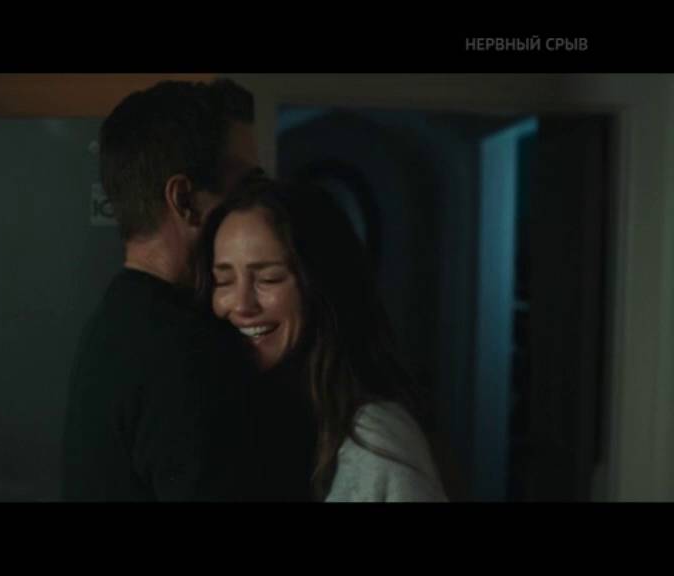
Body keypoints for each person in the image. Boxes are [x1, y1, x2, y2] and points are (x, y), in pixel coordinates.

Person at [61, 78, 268, 501]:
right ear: (185, 200)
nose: (258, 206)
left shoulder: (114, 323)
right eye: (246, 188)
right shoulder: (189, 353)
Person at [196, 176, 448, 501]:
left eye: (269, 278)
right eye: (224, 281)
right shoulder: (245, 413)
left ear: (322, 285)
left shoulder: (376, 438)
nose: (242, 305)